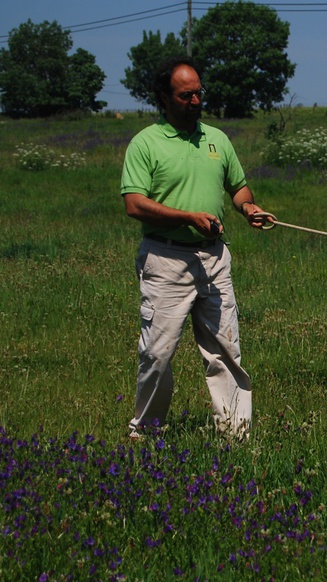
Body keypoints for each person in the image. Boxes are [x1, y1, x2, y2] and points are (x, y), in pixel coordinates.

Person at [120, 57, 273, 441]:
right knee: (157, 354)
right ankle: (147, 433)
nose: (194, 101)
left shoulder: (216, 139)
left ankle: (236, 435)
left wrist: (248, 207)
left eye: (198, 93)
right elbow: (134, 204)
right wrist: (187, 216)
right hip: (165, 259)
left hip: (215, 258)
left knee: (225, 350)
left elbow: (238, 187)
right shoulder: (146, 143)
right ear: (164, 98)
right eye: (185, 95)